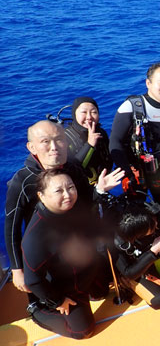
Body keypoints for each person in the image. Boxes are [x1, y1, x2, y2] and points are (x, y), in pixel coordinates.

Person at [4, 120, 124, 295]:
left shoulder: (72, 166)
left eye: (59, 139)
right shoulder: (23, 181)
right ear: (32, 147)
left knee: (100, 292)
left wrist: (99, 189)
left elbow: (86, 202)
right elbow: (11, 227)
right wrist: (16, 269)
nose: (54, 147)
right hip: (47, 253)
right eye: (45, 141)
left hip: (77, 244)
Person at [109, 62, 160, 249]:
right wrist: (127, 171)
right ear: (148, 83)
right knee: (137, 215)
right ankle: (140, 249)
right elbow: (115, 142)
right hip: (136, 173)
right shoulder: (131, 106)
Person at [22, 169, 110, 339]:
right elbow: (32, 280)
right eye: (58, 191)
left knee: (102, 293)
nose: (68, 194)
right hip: (68, 288)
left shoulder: (72, 207)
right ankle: (36, 309)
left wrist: (99, 190)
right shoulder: (36, 236)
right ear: (41, 196)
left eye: (70, 187)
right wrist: (58, 301)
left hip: (87, 270)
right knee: (83, 332)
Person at [65, 97, 113, 185]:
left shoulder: (101, 133)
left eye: (94, 112)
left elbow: (108, 159)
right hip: (77, 190)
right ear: (74, 114)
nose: (89, 117)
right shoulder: (66, 138)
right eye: (84, 112)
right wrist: (90, 144)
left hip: (100, 186)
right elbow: (73, 169)